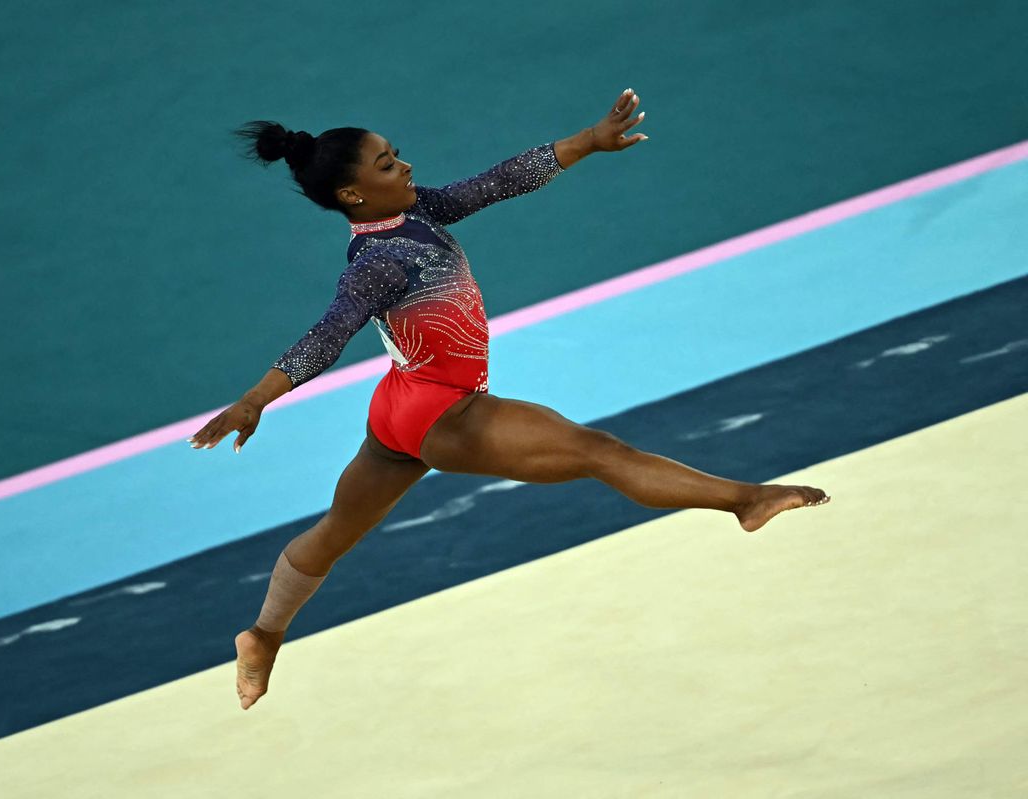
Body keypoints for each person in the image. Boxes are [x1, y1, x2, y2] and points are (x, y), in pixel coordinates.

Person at [188, 89, 830, 710]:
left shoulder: (417, 212)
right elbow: (329, 333)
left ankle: (264, 635)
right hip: (444, 409)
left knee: (336, 532)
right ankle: (746, 501)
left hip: (402, 403)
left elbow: (495, 183)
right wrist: (256, 399)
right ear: (352, 194)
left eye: (396, 152)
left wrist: (587, 141)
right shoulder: (376, 260)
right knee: (598, 452)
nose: (405, 164)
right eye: (387, 163)